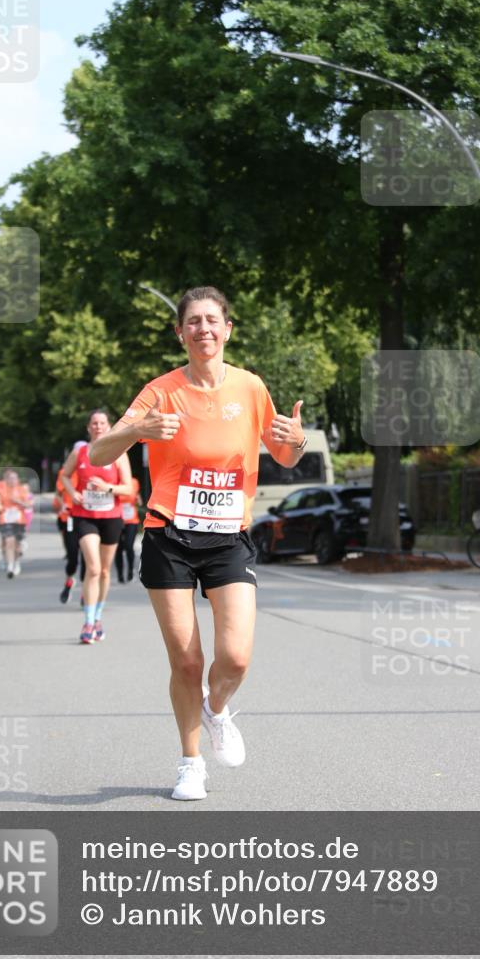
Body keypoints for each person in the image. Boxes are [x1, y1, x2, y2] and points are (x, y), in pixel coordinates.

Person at [89, 286, 306, 800]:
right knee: (186, 662)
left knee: (235, 657)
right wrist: (137, 429)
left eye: (212, 320)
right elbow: (98, 454)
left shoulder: (250, 387)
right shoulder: (159, 391)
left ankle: (216, 709)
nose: (203, 329)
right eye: (193, 321)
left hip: (229, 537)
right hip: (169, 534)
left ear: (227, 329)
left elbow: (286, 455)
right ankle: (191, 764)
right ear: (180, 332)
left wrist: (296, 439)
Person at [60, 412, 133, 644]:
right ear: (88, 427)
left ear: (109, 426)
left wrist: (107, 487)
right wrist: (73, 493)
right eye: (94, 423)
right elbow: (65, 475)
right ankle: (88, 622)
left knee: (104, 571)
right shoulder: (80, 452)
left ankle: (98, 617)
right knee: (93, 568)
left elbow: (128, 488)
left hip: (111, 516)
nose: (98, 426)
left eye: (102, 423)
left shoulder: (119, 453)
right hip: (85, 516)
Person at [54, 441, 87, 604]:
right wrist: (62, 505)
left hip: (89, 517)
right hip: (70, 518)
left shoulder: (92, 468)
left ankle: (85, 592)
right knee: (73, 556)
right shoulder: (64, 472)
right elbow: (59, 494)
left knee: (88, 557)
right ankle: (69, 581)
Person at [0, 470, 32, 578]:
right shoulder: (1, 490)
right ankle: (10, 566)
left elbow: (28, 504)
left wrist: (18, 501)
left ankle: (16, 562)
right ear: (6, 480)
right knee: (9, 541)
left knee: (17, 545)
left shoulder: (22, 490)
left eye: (14, 478)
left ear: (17, 480)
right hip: (6, 519)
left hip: (19, 520)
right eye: (10, 478)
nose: (12, 480)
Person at [114, 475, 142, 583]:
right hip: (117, 519)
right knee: (118, 548)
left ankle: (130, 570)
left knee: (129, 546)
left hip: (131, 520)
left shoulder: (134, 481)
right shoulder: (114, 481)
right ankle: (120, 574)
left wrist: (138, 500)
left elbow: (138, 497)